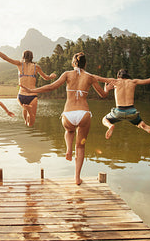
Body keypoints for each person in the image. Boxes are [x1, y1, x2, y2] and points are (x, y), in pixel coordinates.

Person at [21, 52, 108, 185]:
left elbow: (51, 87)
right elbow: (103, 95)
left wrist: (32, 90)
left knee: (69, 131)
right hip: (83, 113)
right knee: (80, 147)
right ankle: (77, 178)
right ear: (85, 64)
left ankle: (68, 149)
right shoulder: (90, 77)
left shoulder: (67, 74)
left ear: (73, 63)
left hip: (68, 114)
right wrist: (107, 88)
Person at [0, 41, 56, 127]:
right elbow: (46, 77)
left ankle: (27, 109)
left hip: (21, 95)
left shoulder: (19, 64)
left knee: (26, 122)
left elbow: (5, 58)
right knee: (31, 123)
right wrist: (51, 76)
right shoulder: (36, 67)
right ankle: (29, 111)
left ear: (23, 57)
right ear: (32, 57)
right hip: (32, 95)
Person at [101, 69, 150, 139]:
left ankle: (110, 126)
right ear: (128, 76)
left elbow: (99, 78)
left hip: (119, 112)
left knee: (104, 120)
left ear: (118, 76)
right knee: (138, 122)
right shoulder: (133, 81)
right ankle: (142, 125)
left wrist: (106, 89)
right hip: (131, 112)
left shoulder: (115, 81)